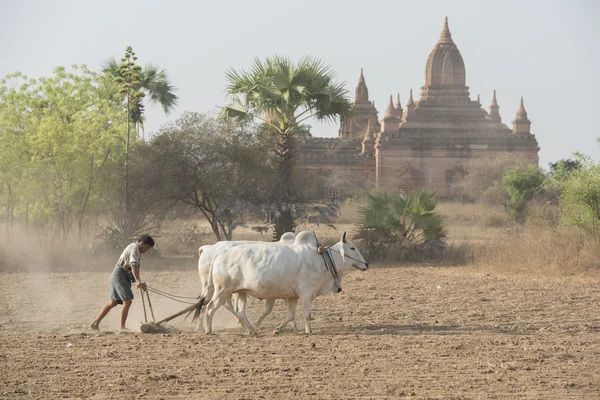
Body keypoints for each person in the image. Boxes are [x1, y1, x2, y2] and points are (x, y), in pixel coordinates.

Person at [90, 234, 155, 331]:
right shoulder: (135, 249)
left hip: (119, 275)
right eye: (146, 247)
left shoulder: (135, 248)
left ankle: (95, 323)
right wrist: (138, 281)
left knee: (113, 302)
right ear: (142, 244)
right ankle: (122, 327)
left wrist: (139, 282)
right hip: (120, 275)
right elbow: (133, 266)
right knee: (127, 301)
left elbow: (133, 267)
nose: (146, 250)